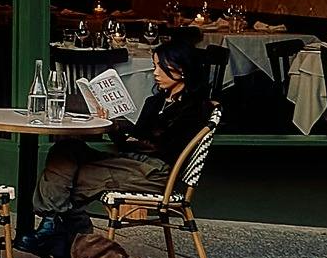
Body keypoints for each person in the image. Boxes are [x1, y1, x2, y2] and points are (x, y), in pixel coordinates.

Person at [52, 38, 213, 212]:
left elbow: (167, 150)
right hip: (133, 162)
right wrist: (113, 123)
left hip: (156, 172)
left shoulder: (194, 108)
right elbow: (128, 144)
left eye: (162, 67)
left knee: (67, 177)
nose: (155, 73)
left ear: (182, 69)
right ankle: (57, 224)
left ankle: (54, 223)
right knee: (65, 150)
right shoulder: (155, 102)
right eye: (154, 66)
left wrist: (138, 141)